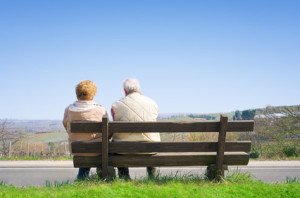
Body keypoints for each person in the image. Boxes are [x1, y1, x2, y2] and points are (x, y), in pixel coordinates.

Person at [63, 80, 114, 179]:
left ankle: (81, 179)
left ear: (77, 93)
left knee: (85, 147)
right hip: (98, 150)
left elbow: (67, 127)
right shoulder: (101, 109)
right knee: (100, 147)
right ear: (93, 94)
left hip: (78, 149)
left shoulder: (68, 110)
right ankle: (106, 178)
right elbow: (107, 131)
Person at [111, 78, 161, 179]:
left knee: (116, 144)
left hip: (123, 149)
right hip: (150, 148)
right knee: (152, 141)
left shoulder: (116, 105)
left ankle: (124, 177)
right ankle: (152, 178)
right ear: (139, 89)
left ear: (125, 91)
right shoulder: (152, 103)